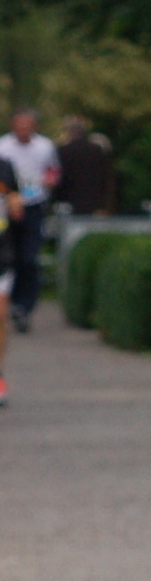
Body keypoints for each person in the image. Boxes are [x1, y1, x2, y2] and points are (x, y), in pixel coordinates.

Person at [0, 109, 60, 333]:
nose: (23, 129)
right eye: (20, 124)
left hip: (34, 204)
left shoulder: (45, 147)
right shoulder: (3, 147)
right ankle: (11, 300)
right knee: (9, 257)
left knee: (29, 257)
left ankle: (25, 305)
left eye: (28, 125)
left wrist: (50, 181)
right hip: (7, 207)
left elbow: (54, 170)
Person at [55, 116, 116, 216]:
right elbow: (106, 179)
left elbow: (60, 180)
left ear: (69, 131)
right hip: (96, 204)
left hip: (70, 204)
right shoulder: (98, 151)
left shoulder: (63, 151)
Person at [0, 155, 19, 405]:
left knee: (0, 316)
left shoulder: (4, 166)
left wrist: (17, 204)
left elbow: (16, 198)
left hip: (1, 254)